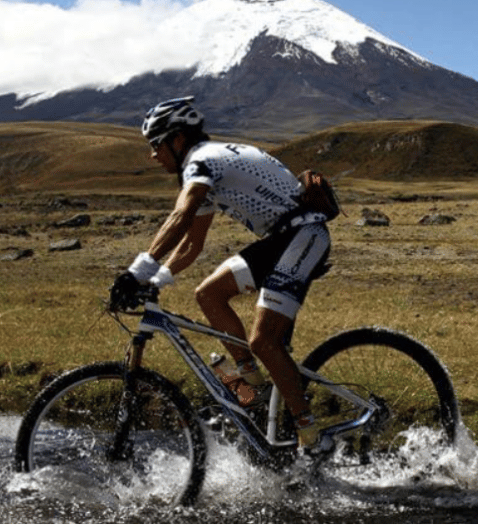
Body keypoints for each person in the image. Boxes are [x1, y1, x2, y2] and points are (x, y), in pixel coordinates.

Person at [119, 96, 332, 449]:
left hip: (303, 236)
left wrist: (138, 270)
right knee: (208, 294)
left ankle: (311, 437)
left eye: (155, 145)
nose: (152, 155)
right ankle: (255, 387)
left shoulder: (201, 162)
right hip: (283, 238)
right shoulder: (205, 165)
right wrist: (155, 281)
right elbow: (192, 244)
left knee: (264, 340)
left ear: (177, 139)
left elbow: (180, 217)